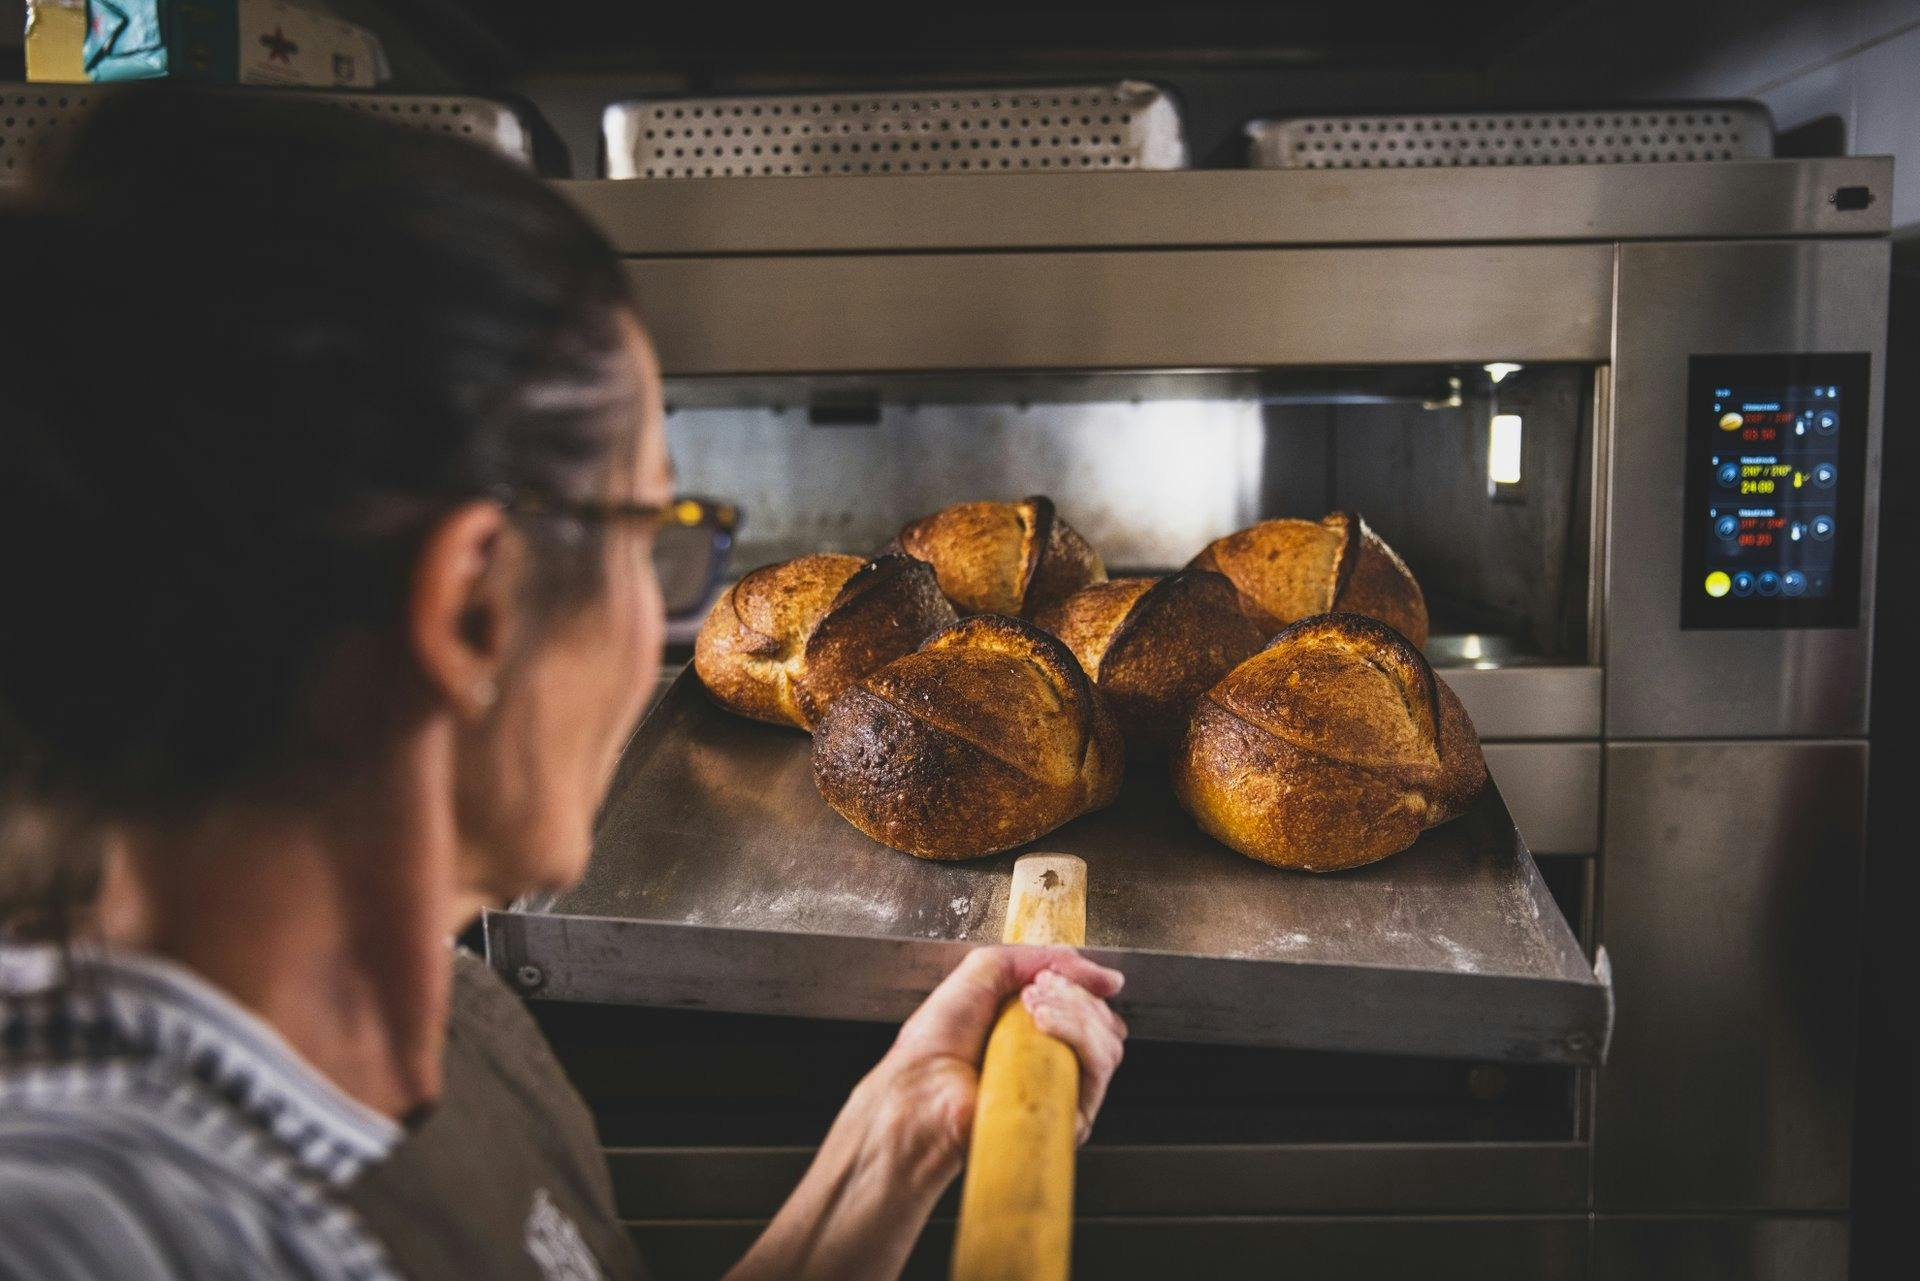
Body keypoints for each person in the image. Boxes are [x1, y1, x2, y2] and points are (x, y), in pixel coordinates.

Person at [0, 89, 1126, 1281]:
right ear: (474, 612)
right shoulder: (102, 1235)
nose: (663, 611)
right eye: (654, 533)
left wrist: (883, 1159)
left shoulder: (437, 1009)